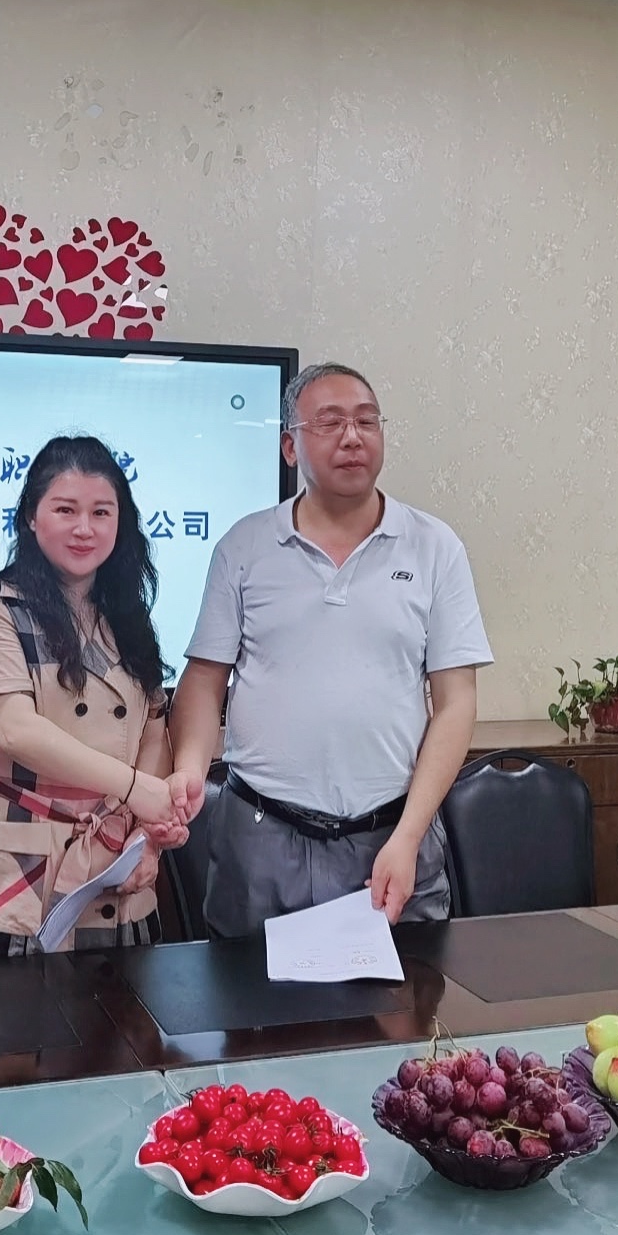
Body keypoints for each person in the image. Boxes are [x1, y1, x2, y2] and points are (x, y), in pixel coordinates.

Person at [167, 363, 492, 937]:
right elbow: (204, 679)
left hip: (391, 836)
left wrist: (410, 835)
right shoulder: (244, 545)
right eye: (330, 422)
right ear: (290, 446)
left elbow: (456, 702)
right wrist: (191, 768)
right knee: (250, 994)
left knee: (404, 994)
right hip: (260, 835)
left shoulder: (434, 547)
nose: (352, 437)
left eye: (367, 421)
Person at [0, 434, 188, 958]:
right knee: (15, 1010)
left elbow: (154, 728)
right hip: (26, 871)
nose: (85, 528)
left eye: (101, 512)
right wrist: (135, 789)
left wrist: (147, 834)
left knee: (127, 1009)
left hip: (122, 866)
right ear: (31, 517)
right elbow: (15, 729)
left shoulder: (127, 614)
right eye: (65, 509)